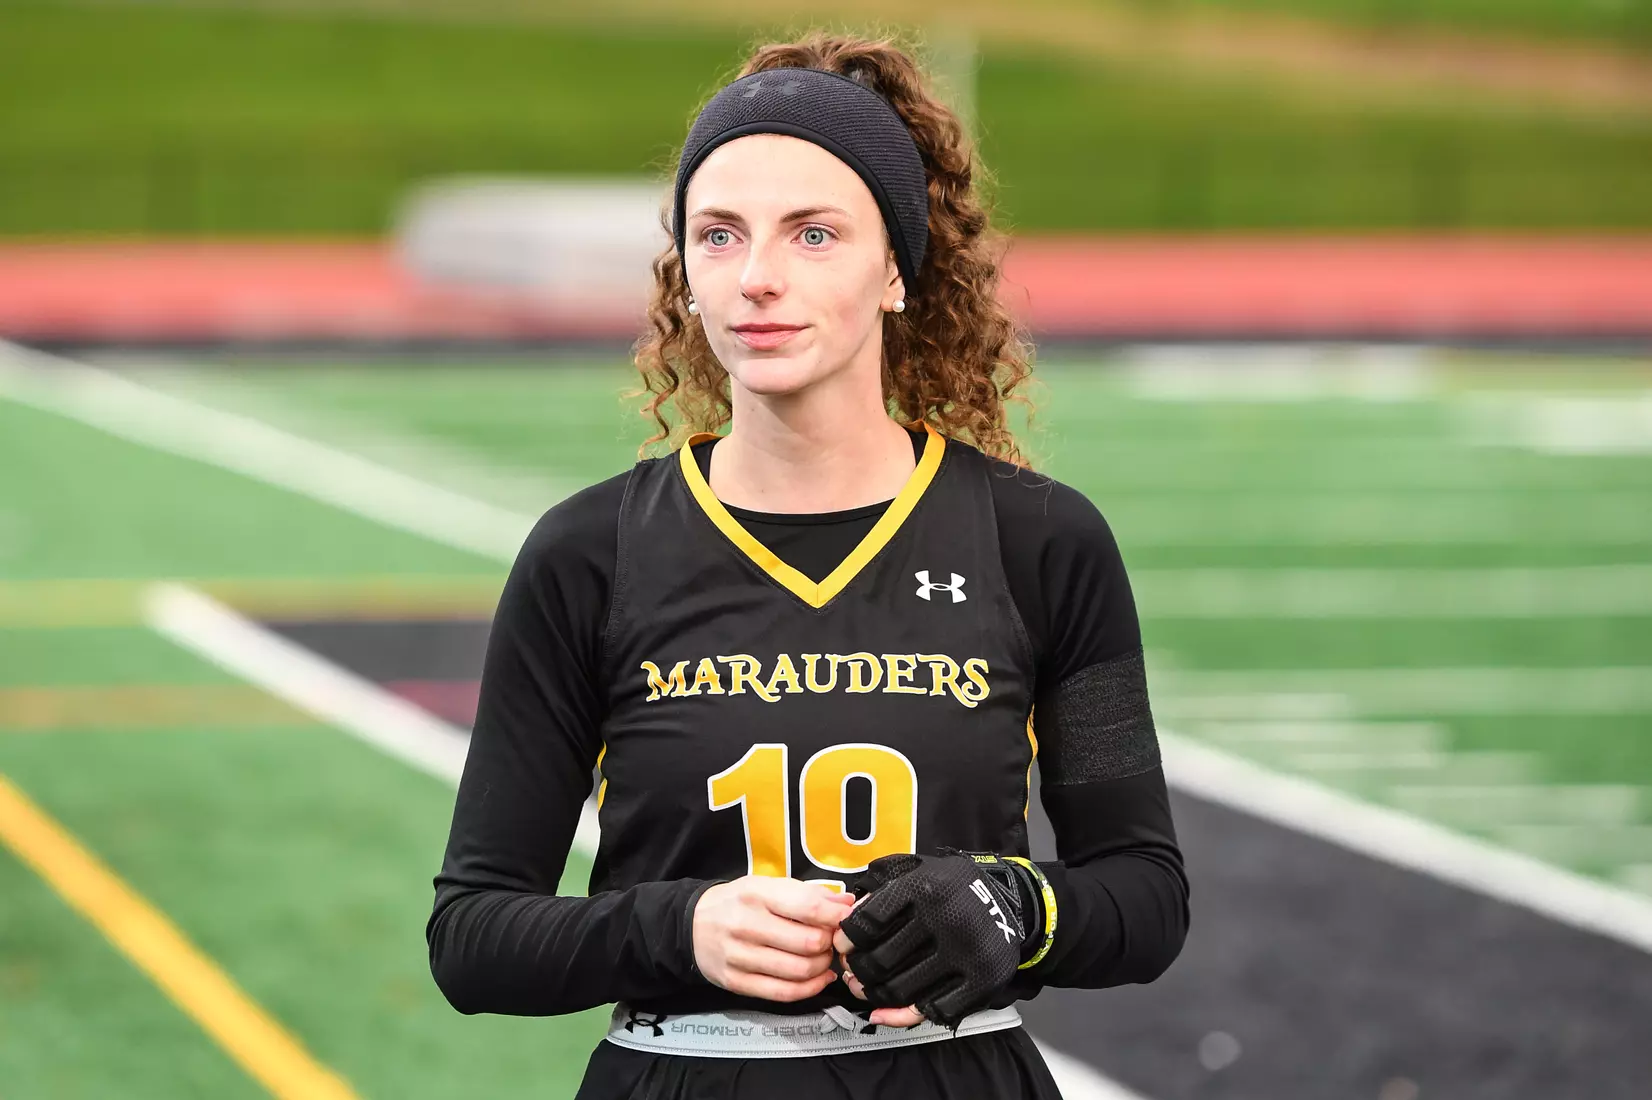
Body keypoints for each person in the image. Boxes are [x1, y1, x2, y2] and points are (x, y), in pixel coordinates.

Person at [427, 32, 1189, 1099]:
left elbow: (1144, 895)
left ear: (893, 268)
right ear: (682, 272)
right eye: (720, 234)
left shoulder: (1043, 540)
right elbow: (470, 934)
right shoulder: (587, 553)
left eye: (813, 233)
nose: (759, 278)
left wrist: (1010, 906)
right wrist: (679, 926)